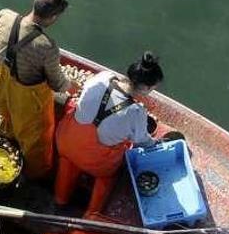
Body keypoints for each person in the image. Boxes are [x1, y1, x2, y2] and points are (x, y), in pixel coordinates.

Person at [54, 52, 164, 218]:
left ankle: (60, 199)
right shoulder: (136, 112)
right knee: (108, 174)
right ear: (146, 88)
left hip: (66, 141)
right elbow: (142, 141)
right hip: (95, 161)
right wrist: (156, 143)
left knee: (69, 161)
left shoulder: (103, 77)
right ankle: (92, 213)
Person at [0, 0, 72, 179]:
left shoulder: (4, 15)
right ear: (53, 17)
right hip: (26, 102)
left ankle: (7, 139)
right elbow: (57, 85)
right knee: (37, 140)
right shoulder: (46, 46)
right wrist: (72, 85)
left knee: (7, 116)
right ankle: (35, 174)